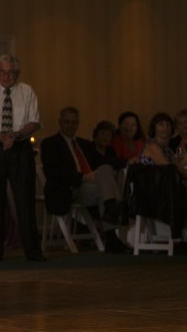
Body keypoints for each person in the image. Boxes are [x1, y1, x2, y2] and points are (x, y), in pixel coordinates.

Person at [0, 54, 43, 262]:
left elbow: (34, 122)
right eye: (2, 72)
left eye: (10, 72)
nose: (6, 76)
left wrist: (16, 135)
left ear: (17, 73)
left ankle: (33, 252)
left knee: (24, 199)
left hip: (20, 148)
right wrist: (2, 137)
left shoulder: (27, 91)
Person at [39, 108, 127, 253]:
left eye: (74, 122)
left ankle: (111, 205)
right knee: (103, 191)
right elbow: (54, 171)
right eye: (67, 122)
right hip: (68, 188)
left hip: (89, 187)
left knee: (105, 168)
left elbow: (103, 161)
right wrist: (82, 177)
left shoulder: (84, 144)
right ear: (60, 123)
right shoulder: (50, 143)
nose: (70, 125)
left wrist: (128, 162)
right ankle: (112, 226)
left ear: (78, 124)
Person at [138, 111, 187, 251]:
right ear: (154, 128)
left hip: (171, 189)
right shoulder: (153, 147)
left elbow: (180, 168)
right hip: (157, 193)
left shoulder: (168, 150)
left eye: (168, 124)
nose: (165, 127)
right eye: (161, 124)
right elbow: (170, 170)